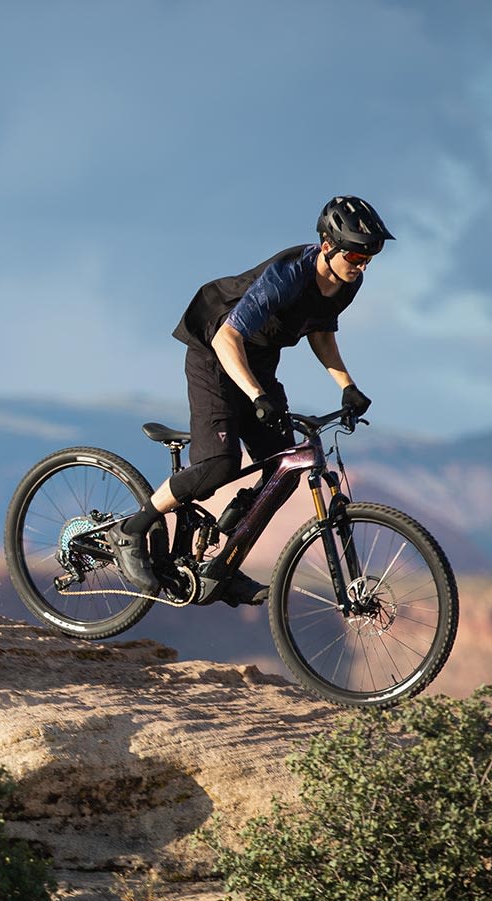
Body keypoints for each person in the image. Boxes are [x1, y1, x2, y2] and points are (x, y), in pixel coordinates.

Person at [111, 195, 393, 604]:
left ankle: (221, 566)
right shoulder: (288, 276)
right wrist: (257, 396)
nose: (363, 264)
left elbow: (321, 333)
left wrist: (347, 386)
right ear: (328, 245)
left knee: (286, 465)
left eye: (371, 256)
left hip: (257, 362)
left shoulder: (347, 282)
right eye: (355, 254)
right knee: (219, 466)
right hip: (215, 352)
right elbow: (227, 337)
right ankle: (131, 530)